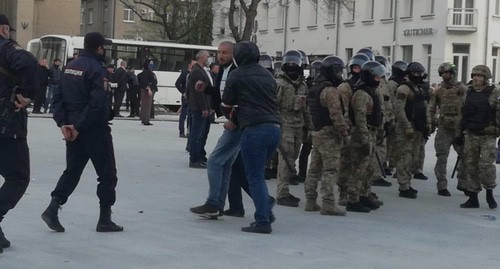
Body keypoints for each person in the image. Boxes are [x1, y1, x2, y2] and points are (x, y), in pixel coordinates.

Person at [41, 32, 123, 233]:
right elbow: (97, 103)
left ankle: (53, 206)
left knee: (72, 170)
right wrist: (79, 126)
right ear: (99, 48)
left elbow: (57, 97)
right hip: (93, 129)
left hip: (73, 128)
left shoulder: (70, 66)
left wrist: (64, 124)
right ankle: (105, 218)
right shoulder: (97, 69)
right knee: (107, 174)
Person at [222, 41, 281, 234]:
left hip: (254, 129)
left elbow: (227, 102)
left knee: (255, 176)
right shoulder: (268, 75)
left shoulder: (236, 75)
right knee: (246, 168)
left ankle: (263, 220)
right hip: (274, 128)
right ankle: (264, 207)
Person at [0, 13, 38, 254]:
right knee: (18, 177)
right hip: (5, 124)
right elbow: (28, 63)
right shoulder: (6, 47)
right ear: (4, 30)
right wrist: (27, 94)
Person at [304, 55, 347, 216]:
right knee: (330, 169)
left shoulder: (315, 87)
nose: (340, 75)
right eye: (338, 71)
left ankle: (310, 200)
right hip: (329, 133)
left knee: (314, 168)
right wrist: (343, 130)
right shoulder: (330, 90)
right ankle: (328, 203)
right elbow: (336, 113)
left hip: (317, 131)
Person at [346, 61, 386, 213]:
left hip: (372, 132)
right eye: (376, 76)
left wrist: (381, 131)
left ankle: (364, 194)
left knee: (368, 167)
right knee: (359, 167)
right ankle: (353, 198)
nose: (379, 79)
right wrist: (363, 139)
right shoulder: (361, 93)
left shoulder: (373, 91)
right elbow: (360, 117)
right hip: (362, 133)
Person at [275, 50, 312, 208]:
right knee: (286, 159)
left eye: (294, 63)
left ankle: (286, 189)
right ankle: (282, 193)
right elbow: (273, 105)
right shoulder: (280, 83)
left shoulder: (302, 85)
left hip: (298, 125)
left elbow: (306, 108)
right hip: (284, 125)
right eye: (289, 63)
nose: (292, 66)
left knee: (293, 157)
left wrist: (309, 126)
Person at [459, 65, 498, 209]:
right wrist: (459, 133)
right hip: (470, 134)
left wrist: (496, 128)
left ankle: (489, 193)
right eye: (474, 75)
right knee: (471, 165)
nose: (476, 78)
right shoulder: (468, 93)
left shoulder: (494, 93)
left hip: (487, 135)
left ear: (486, 78)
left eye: (479, 76)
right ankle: (473, 196)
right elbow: (461, 113)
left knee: (486, 165)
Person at [428, 62, 467, 196]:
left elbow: (468, 106)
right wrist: (431, 124)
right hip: (444, 128)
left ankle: (463, 183)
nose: (445, 75)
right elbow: (431, 108)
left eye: (447, 73)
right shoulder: (439, 90)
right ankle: (442, 186)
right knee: (442, 157)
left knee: (465, 156)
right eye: (443, 73)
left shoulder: (462, 89)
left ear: (452, 73)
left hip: (459, 128)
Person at [393, 62, 430, 199]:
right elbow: (399, 109)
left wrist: (427, 124)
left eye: (419, 73)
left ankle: (407, 182)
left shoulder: (418, 88)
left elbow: (424, 106)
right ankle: (403, 186)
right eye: (415, 73)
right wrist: (406, 125)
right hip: (406, 127)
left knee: (413, 157)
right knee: (404, 157)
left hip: (417, 127)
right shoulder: (404, 88)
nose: (418, 75)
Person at [337, 53, 369, 205]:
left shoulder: (367, 87)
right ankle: (343, 192)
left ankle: (360, 190)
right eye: (355, 67)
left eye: (360, 68)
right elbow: (342, 109)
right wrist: (345, 128)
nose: (358, 70)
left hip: (361, 128)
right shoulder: (345, 86)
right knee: (346, 161)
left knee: (360, 163)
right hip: (349, 128)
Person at [186, 50, 213, 168]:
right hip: (199, 108)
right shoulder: (197, 72)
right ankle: (194, 158)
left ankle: (200, 156)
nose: (208, 59)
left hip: (200, 106)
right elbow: (199, 92)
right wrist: (204, 108)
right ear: (201, 57)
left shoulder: (200, 70)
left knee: (201, 133)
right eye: (207, 56)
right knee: (197, 134)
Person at [175, 60, 195, 137]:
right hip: (186, 96)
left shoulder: (195, 73)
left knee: (191, 114)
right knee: (183, 114)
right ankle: (181, 131)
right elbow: (177, 83)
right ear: (189, 65)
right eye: (193, 65)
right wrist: (183, 92)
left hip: (193, 97)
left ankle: (189, 131)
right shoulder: (185, 73)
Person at [137, 60, 156, 126]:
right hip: (147, 90)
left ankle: (144, 119)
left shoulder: (146, 72)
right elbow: (146, 81)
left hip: (147, 89)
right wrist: (149, 89)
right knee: (147, 106)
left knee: (145, 105)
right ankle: (146, 120)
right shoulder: (147, 72)